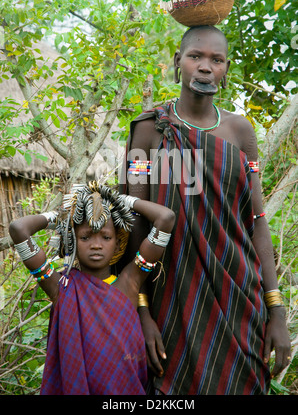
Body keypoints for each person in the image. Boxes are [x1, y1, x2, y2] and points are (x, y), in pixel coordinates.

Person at [119, 25, 291, 395]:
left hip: (238, 296)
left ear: (226, 69)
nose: (205, 67)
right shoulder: (149, 131)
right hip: (172, 299)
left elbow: (257, 221)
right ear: (178, 61)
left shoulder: (240, 132)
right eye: (196, 56)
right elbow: (132, 223)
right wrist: (142, 310)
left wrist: (275, 309)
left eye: (217, 60)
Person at [9, 181, 175, 395]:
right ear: (73, 240)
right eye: (85, 237)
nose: (96, 245)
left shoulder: (129, 283)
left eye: (106, 237)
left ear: (117, 243)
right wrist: (62, 218)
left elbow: (166, 218)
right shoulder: (61, 287)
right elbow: (18, 229)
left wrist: (121, 202)